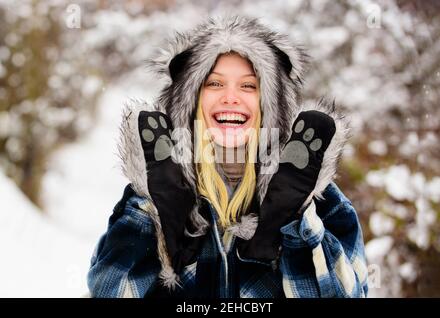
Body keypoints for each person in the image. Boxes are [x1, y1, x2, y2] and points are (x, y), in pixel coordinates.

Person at [87, 15, 368, 298]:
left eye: (248, 86)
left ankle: (281, 219)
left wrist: (295, 219)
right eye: (214, 84)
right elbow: (110, 291)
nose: (231, 97)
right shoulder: (152, 190)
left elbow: (349, 294)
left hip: (296, 207)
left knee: (299, 231)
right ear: (191, 101)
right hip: (165, 198)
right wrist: (159, 213)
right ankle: (176, 215)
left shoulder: (321, 199)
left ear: (272, 105)